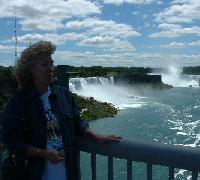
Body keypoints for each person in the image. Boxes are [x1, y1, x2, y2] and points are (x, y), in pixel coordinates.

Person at [1, 41, 121, 180]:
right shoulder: (20, 100)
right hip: (35, 173)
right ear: (31, 69)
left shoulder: (63, 95)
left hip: (67, 173)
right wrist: (44, 153)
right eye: (44, 64)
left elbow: (78, 122)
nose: (50, 68)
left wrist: (94, 135)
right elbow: (10, 140)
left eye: (51, 63)